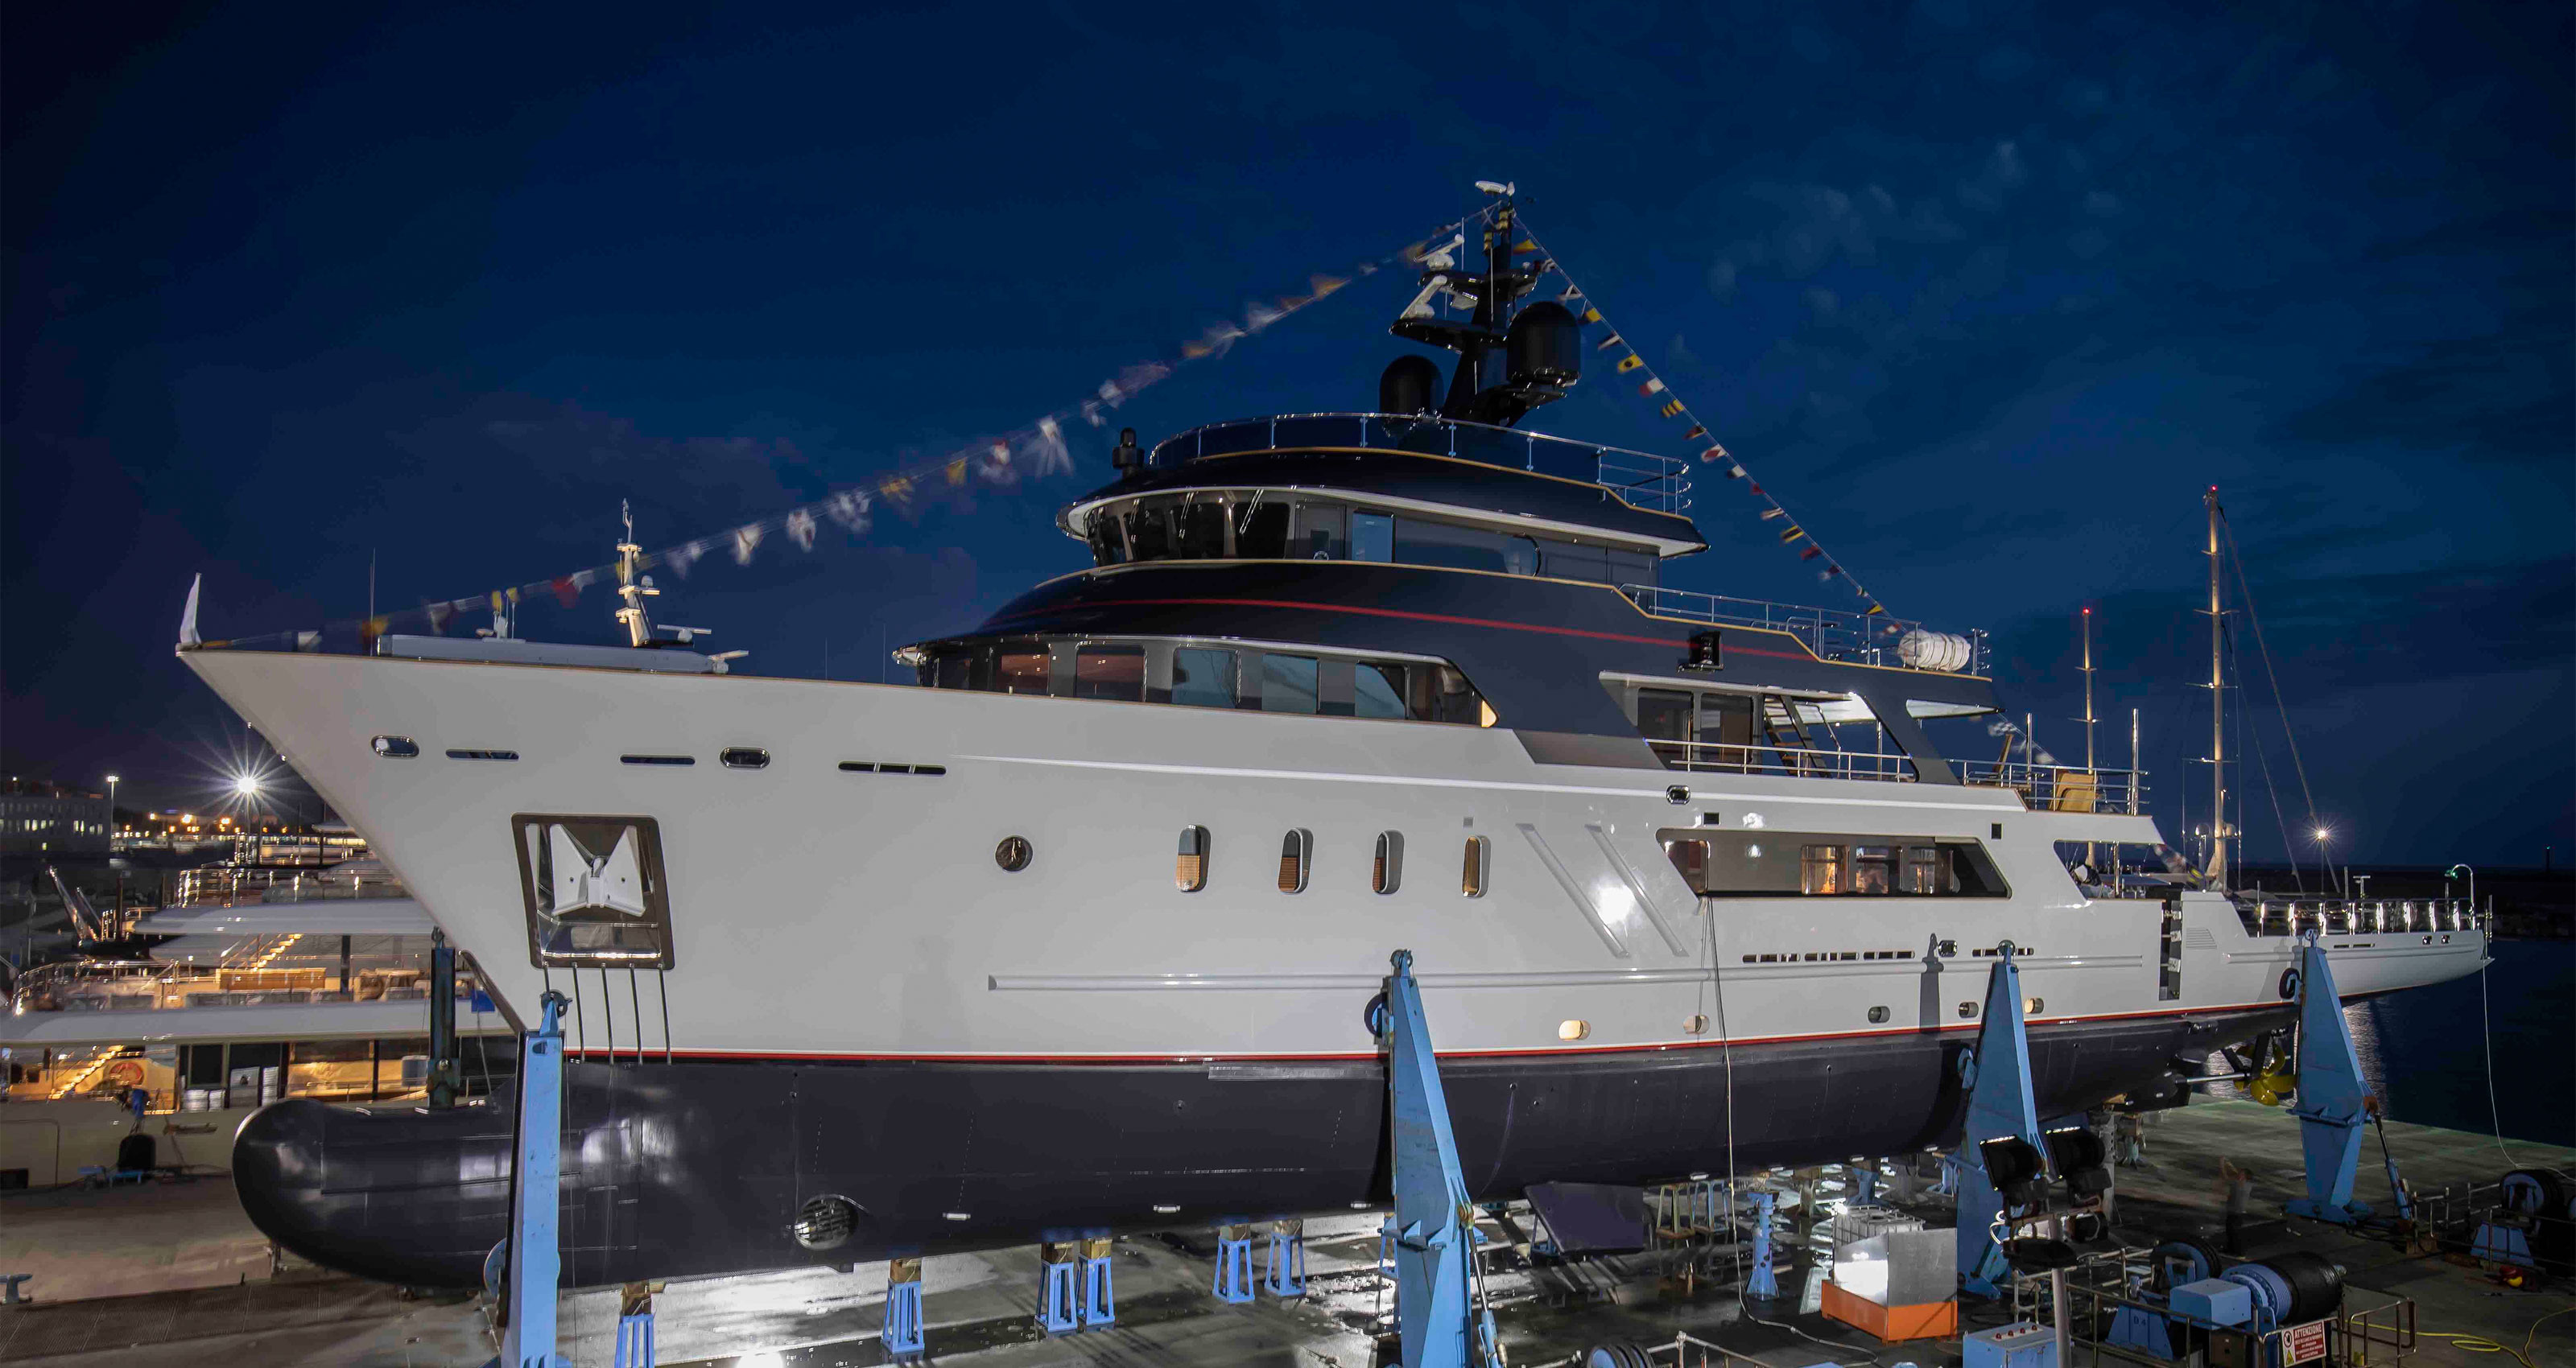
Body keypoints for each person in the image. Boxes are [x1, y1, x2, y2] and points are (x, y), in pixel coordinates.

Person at [2220, 1158, 2255, 1254]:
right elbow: (2236, 1175)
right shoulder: (2249, 1185)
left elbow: (2225, 1177)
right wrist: (2229, 1164)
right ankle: (2231, 1250)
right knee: (2232, 1233)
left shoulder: (2236, 1185)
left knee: (2233, 1234)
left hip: (2235, 1213)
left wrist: (2222, 1164)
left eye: (2241, 1173)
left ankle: (2238, 1252)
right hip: (2239, 1214)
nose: (2239, 1174)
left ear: (2244, 1176)